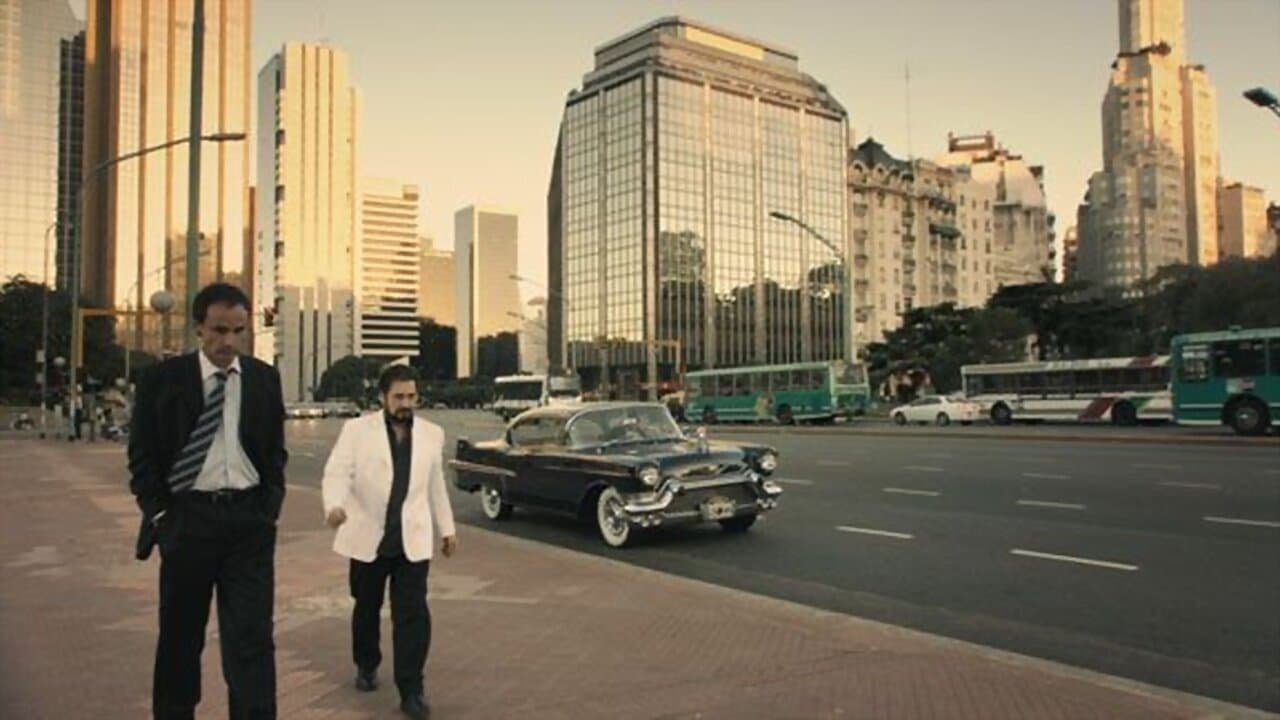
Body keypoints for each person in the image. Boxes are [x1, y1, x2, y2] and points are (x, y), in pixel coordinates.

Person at [127, 282, 287, 720]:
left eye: (238, 331)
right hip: (187, 522)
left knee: (252, 640)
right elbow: (142, 456)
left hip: (248, 526)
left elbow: (275, 452)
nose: (229, 342)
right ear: (199, 327)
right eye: (219, 330)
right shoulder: (163, 380)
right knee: (180, 639)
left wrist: (268, 508)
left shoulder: (263, 378)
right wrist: (161, 515)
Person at [322, 364, 456, 720]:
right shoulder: (357, 430)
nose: (406, 403)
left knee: (412, 615)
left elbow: (434, 485)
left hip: (411, 538)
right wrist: (334, 504)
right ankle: (366, 663)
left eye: (411, 396)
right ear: (382, 397)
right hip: (367, 536)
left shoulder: (431, 434)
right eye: (398, 396)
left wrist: (447, 529)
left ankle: (412, 689)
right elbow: (337, 471)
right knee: (366, 607)